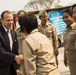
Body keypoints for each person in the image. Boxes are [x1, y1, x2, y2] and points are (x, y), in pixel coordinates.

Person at [0, 10, 23, 75]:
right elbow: (1, 51)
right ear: (1, 21)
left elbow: (15, 51)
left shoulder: (14, 33)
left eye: (12, 20)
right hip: (2, 70)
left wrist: (17, 68)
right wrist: (14, 57)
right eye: (8, 20)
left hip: (13, 69)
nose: (11, 22)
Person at [62, 8, 76, 75]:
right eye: (63, 18)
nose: (65, 19)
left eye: (67, 17)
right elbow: (65, 45)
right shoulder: (66, 29)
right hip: (69, 58)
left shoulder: (75, 27)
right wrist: (65, 58)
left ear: (72, 16)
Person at [16, 10, 27, 75]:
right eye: (19, 18)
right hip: (21, 61)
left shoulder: (31, 30)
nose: (20, 20)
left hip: (31, 59)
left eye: (22, 18)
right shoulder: (16, 32)